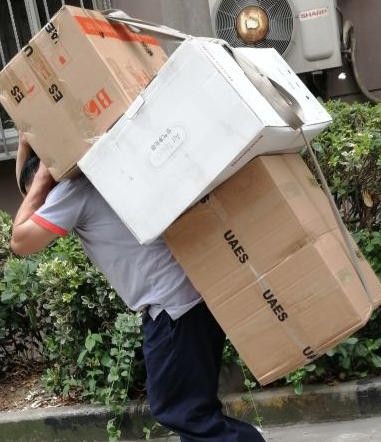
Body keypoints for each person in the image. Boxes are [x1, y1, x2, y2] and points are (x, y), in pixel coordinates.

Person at [11, 133, 267, 442]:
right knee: (194, 408)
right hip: (187, 300)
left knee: (178, 410)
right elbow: (28, 192)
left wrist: (41, 178)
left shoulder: (72, 191)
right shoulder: (96, 175)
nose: (36, 205)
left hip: (173, 308)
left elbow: (20, 241)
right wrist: (25, 142)